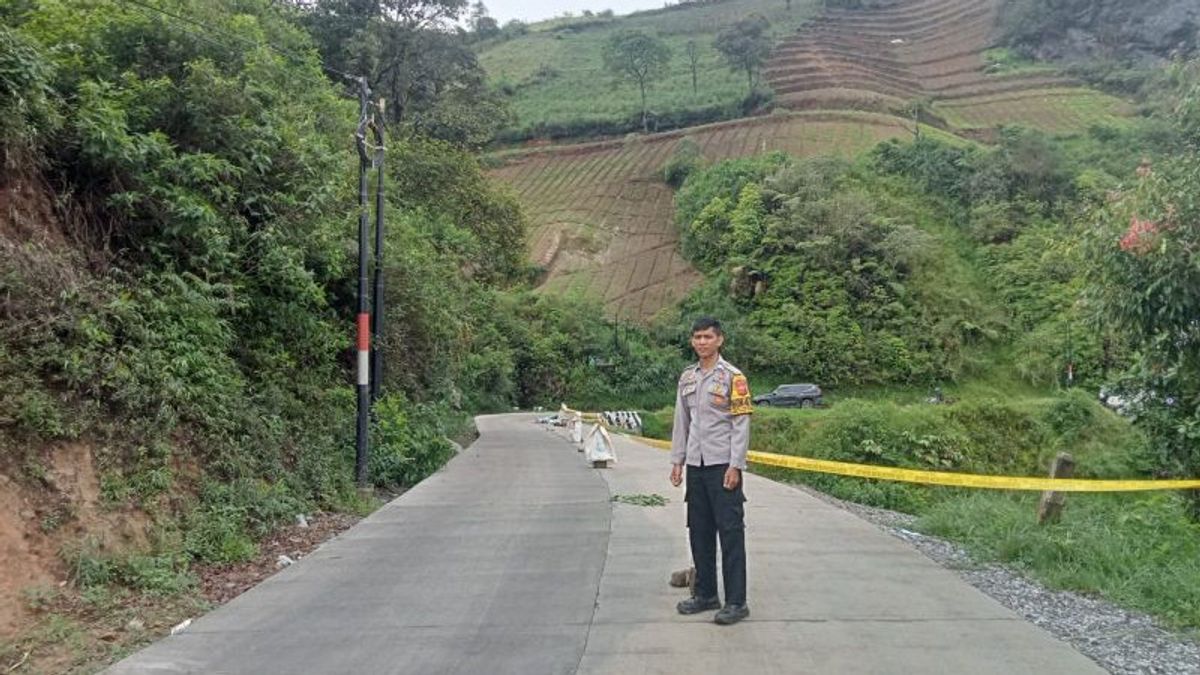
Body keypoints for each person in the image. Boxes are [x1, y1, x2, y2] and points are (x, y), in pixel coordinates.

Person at [669, 316, 752, 625]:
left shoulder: (734, 377)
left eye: (707, 337)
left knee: (730, 533)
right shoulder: (687, 378)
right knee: (699, 531)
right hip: (696, 465)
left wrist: (736, 465)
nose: (701, 341)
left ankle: (736, 602)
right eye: (697, 337)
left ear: (720, 340)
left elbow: (740, 424)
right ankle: (705, 594)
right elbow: (682, 421)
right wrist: (677, 460)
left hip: (722, 466)